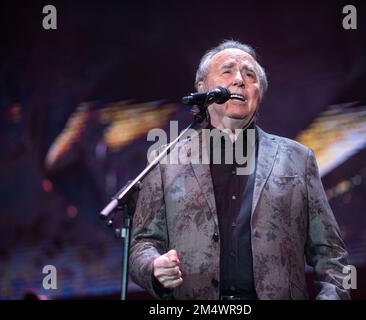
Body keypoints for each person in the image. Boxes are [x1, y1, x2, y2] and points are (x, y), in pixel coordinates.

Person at [129, 40, 350, 300]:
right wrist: (153, 267)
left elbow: (332, 254)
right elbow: (142, 245)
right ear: (203, 88)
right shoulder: (166, 160)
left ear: (259, 93)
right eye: (227, 71)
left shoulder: (297, 159)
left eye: (249, 74)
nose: (239, 80)